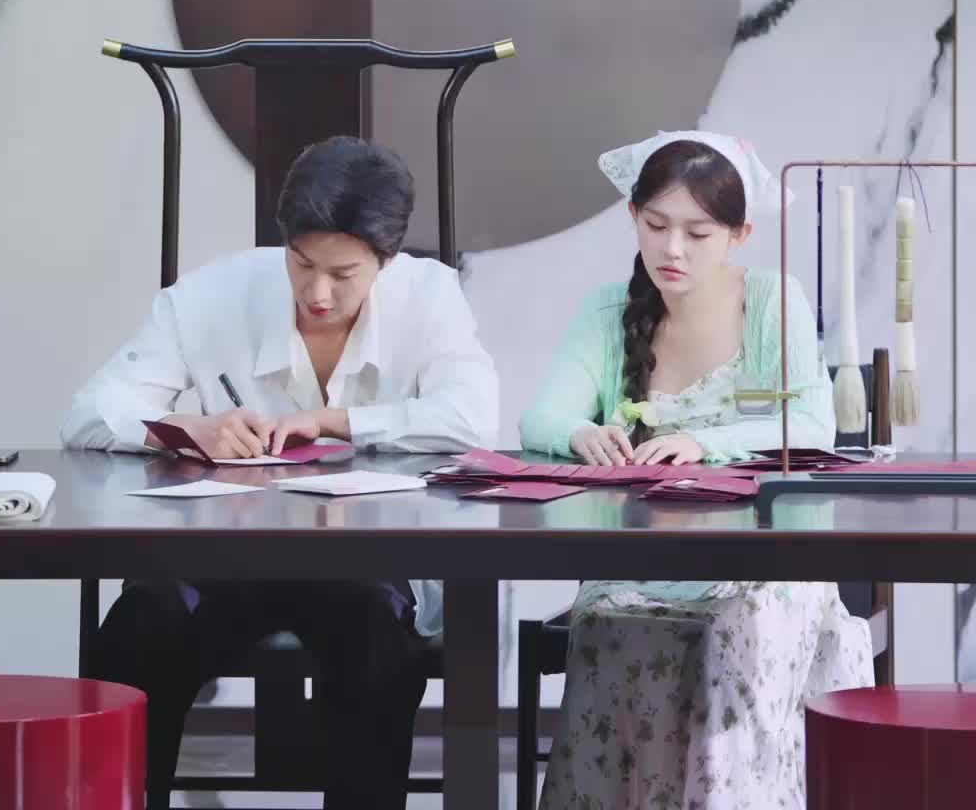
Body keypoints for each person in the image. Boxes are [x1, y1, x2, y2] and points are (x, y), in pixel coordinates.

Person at [63, 134, 498, 810]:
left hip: (365, 560)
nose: (317, 292)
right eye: (302, 264)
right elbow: (89, 413)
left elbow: (473, 418)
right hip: (224, 554)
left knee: (377, 639)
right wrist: (182, 427)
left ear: (385, 259)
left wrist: (335, 422)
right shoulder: (214, 292)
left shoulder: (428, 294)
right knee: (141, 625)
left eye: (344, 273)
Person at [520, 130, 873, 810]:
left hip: (771, 563)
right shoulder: (607, 310)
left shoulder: (770, 299)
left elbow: (811, 424)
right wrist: (580, 431)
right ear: (633, 217)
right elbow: (540, 419)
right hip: (644, 560)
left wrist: (701, 442)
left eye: (698, 233)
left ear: (739, 235)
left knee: (736, 624)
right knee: (609, 621)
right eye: (656, 226)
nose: (672, 249)